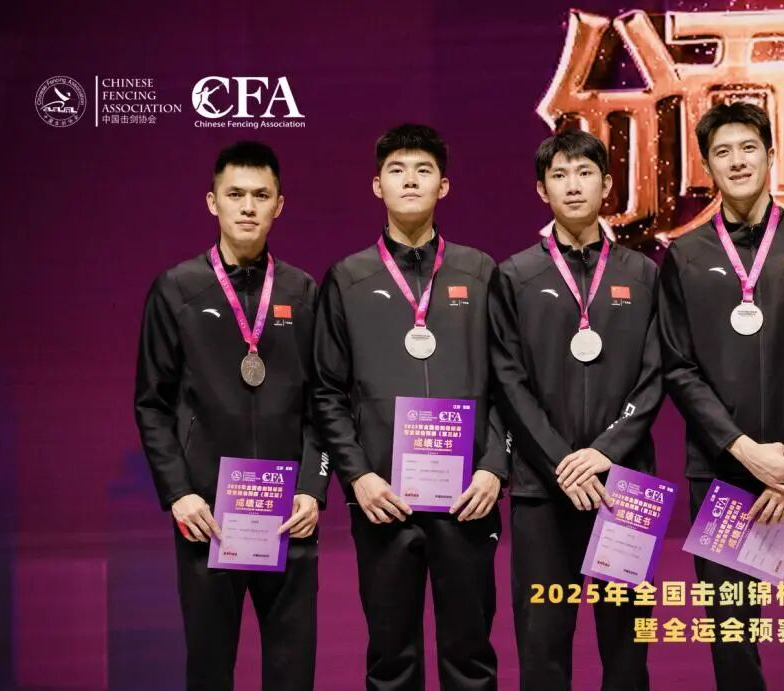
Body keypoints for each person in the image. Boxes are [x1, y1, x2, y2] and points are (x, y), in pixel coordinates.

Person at [658, 101, 784, 690]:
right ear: (707, 168)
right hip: (725, 478)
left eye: (748, 147)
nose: (737, 161)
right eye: (722, 152)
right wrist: (745, 451)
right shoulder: (685, 256)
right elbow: (678, 369)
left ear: (771, 154)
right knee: (733, 643)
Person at [313, 123, 508, 690]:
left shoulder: (481, 271)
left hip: (468, 500)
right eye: (396, 170)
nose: (410, 180)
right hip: (384, 502)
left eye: (424, 170)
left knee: (470, 659)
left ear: (443, 186)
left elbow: (509, 385)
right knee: (390, 660)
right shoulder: (347, 279)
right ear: (377, 186)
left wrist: (494, 468)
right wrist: (358, 478)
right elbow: (326, 391)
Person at [134, 140, 326, 690]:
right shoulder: (177, 289)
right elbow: (151, 403)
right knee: (209, 671)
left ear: (279, 205)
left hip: (288, 516)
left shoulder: (303, 291)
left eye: (261, 196)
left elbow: (323, 403)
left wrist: (312, 488)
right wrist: (179, 494)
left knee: (292, 673)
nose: (247, 207)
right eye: (235, 194)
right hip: (207, 516)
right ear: (212, 201)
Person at [489, 130, 663, 691]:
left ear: (607, 184)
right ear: (542, 190)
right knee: (542, 646)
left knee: (628, 649)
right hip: (543, 488)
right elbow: (508, 381)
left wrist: (604, 454)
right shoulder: (515, 275)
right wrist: (564, 462)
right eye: (559, 175)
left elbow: (655, 376)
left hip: (626, 484)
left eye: (585, 173)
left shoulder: (643, 274)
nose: (572, 185)